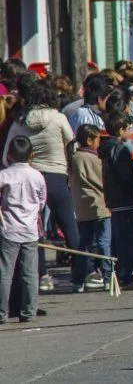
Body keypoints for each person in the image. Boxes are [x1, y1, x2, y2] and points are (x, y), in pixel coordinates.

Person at [4, 80, 78, 292]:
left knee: (35, 228)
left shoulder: (19, 122)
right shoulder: (58, 118)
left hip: (30, 176)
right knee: (69, 225)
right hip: (57, 175)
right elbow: (72, 143)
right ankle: (83, 271)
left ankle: (41, 274)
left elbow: (6, 156)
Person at [0, 136, 47, 323]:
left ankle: (2, 313)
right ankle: (29, 311)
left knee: (5, 273)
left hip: (8, 229)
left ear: (9, 155)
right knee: (30, 273)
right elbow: (42, 202)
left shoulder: (4, 175)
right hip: (30, 230)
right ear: (31, 155)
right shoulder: (37, 176)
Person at [68, 124, 112, 293]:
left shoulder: (74, 157)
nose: (99, 143)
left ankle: (78, 280)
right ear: (90, 140)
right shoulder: (93, 159)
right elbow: (102, 180)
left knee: (84, 245)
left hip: (82, 209)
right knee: (103, 243)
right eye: (98, 140)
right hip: (100, 206)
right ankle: (108, 276)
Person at [100, 112, 133, 287]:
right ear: (120, 130)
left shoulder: (105, 147)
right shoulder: (119, 148)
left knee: (119, 237)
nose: (130, 132)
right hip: (125, 198)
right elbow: (127, 175)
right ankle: (126, 272)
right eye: (128, 128)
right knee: (128, 237)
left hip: (114, 198)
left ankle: (120, 271)